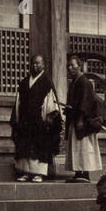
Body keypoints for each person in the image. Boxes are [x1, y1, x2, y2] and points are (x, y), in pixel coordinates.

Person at [11, 54, 61, 183]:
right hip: (25, 120)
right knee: (25, 146)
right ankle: (25, 172)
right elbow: (18, 102)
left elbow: (51, 103)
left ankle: (38, 173)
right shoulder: (24, 82)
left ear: (43, 65)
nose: (35, 65)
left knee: (38, 146)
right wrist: (16, 118)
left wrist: (49, 119)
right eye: (33, 63)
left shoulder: (46, 82)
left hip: (40, 121)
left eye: (38, 63)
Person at [64, 54, 104, 183]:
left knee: (83, 147)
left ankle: (84, 172)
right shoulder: (75, 81)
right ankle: (78, 172)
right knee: (77, 147)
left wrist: (80, 119)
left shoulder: (84, 82)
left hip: (82, 120)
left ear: (79, 66)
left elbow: (85, 102)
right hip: (75, 118)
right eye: (68, 66)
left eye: (73, 65)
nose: (70, 68)